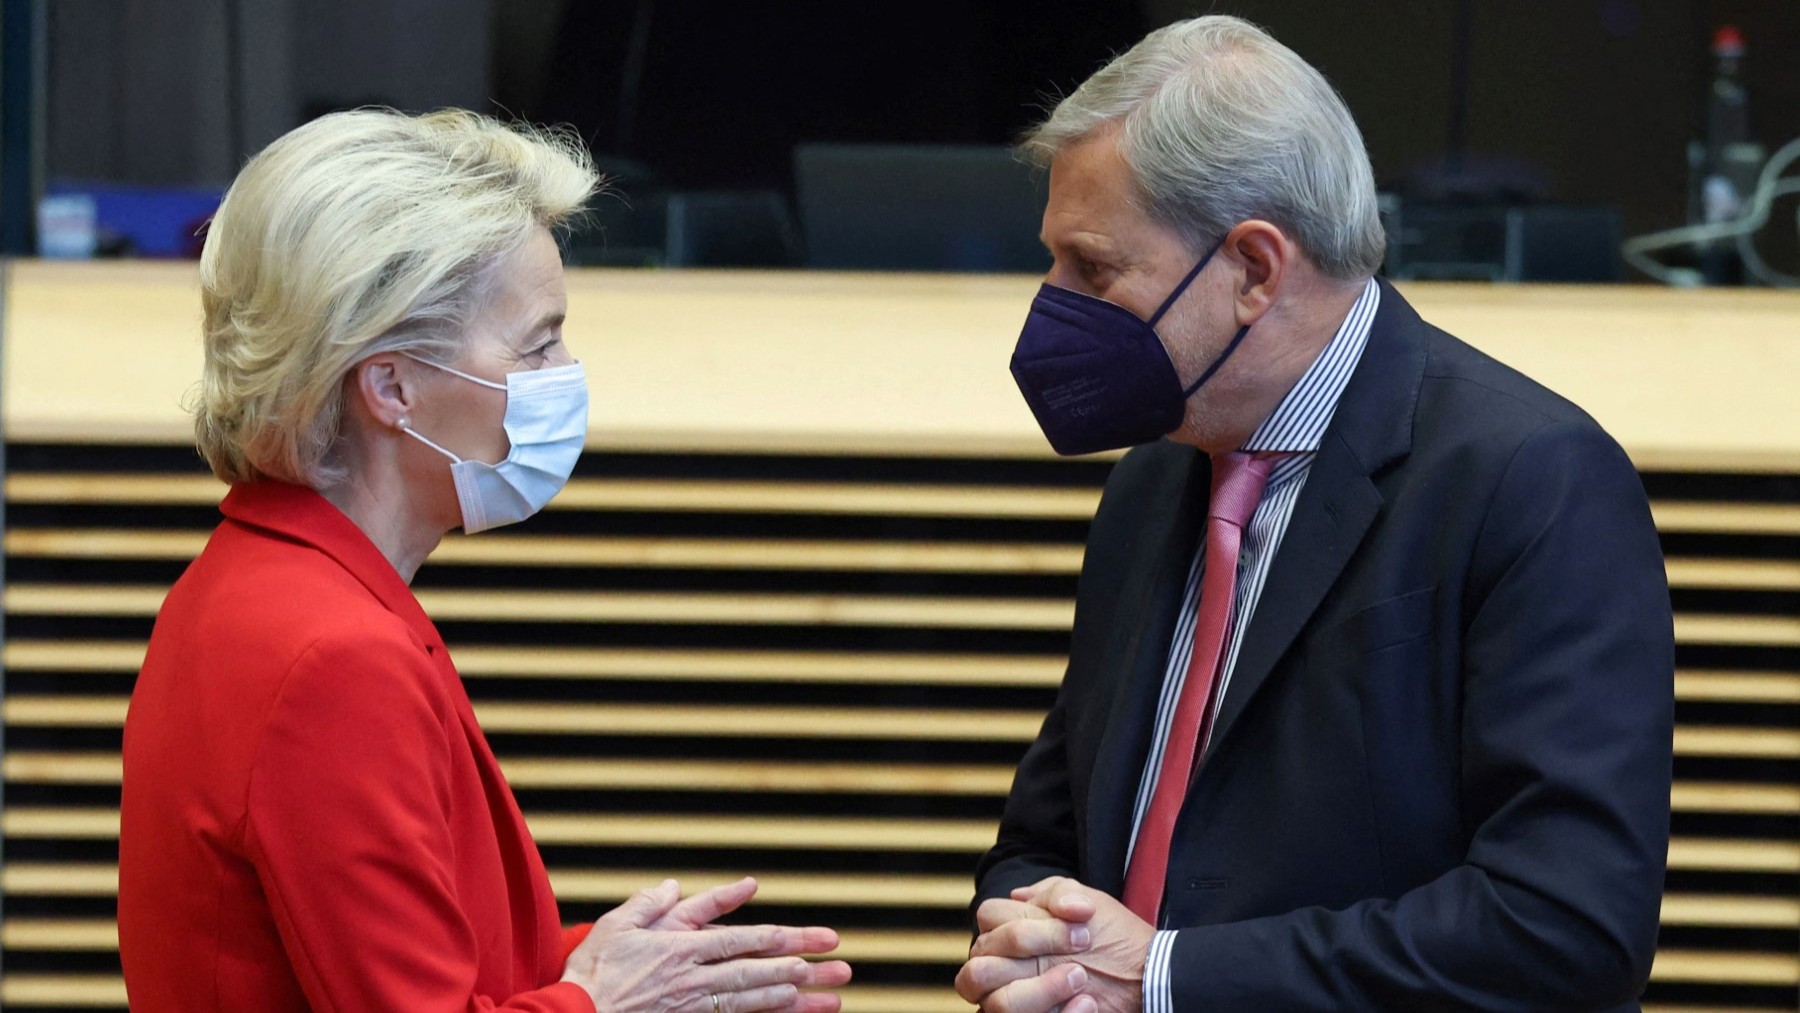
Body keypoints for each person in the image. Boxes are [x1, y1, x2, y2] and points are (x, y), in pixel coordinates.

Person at [959, 15, 1673, 1013]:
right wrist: (1033, 938)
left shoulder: (1532, 478)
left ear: (1254, 269)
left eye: (1092, 269)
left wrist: (1165, 977)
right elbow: (1048, 834)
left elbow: (1563, 928)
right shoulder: (1153, 478)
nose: (1051, 304)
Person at [117, 108, 852, 1012]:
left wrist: (619, 965)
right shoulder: (332, 656)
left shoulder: (263, 582)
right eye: (538, 342)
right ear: (391, 386)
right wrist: (602, 1002)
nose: (565, 369)